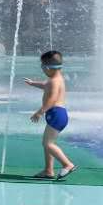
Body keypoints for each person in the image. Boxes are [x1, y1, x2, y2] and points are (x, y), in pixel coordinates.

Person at [24, 50, 76, 180]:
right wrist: (33, 83)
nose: (42, 70)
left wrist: (39, 112)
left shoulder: (54, 81)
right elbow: (45, 85)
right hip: (57, 115)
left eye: (42, 67)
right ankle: (48, 170)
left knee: (48, 144)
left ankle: (67, 164)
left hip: (56, 114)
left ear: (47, 68)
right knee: (47, 143)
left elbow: (52, 99)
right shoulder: (56, 79)